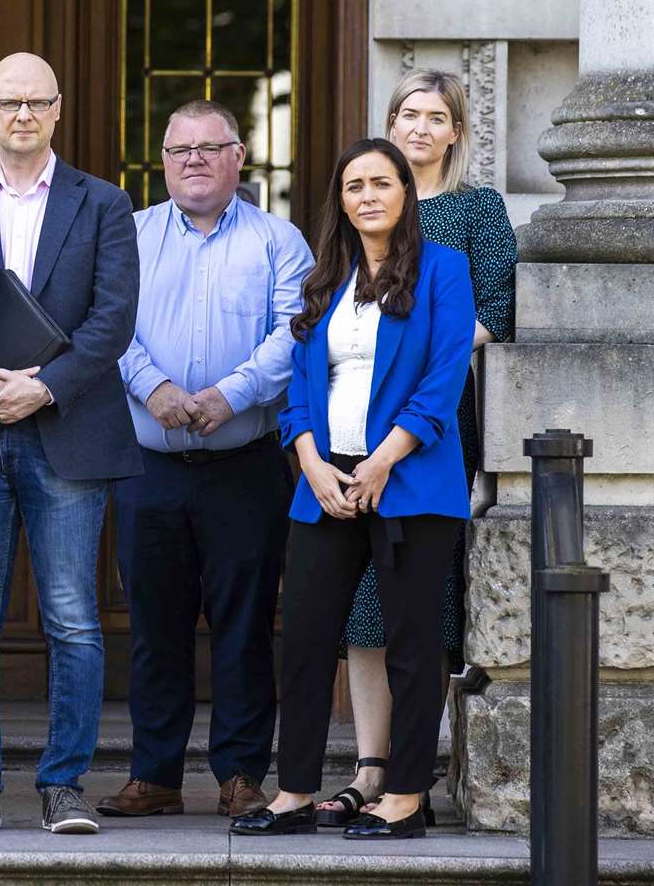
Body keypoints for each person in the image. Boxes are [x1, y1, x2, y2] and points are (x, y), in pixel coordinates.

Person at [0, 52, 141, 835]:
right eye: (8, 102)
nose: (22, 115)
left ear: (57, 110)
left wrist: (42, 386)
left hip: (68, 431)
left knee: (74, 618)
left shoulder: (104, 204)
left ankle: (64, 785)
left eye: (36, 102)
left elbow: (112, 320)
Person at [232, 137, 474, 841]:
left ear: (405, 192)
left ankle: (403, 796)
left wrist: (382, 462)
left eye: (380, 182)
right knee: (304, 639)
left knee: (409, 642)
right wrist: (308, 459)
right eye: (353, 186)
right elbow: (300, 391)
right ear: (340, 202)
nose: (367, 195)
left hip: (409, 483)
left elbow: (441, 380)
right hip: (325, 482)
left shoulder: (444, 272)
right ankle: (295, 791)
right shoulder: (325, 276)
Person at [95, 101, 312, 821]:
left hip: (242, 464)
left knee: (245, 625)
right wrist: (151, 386)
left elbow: (294, 335)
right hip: (148, 466)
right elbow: (105, 324)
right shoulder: (128, 235)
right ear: (162, 160)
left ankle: (242, 775)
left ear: (238, 156)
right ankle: (154, 775)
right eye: (179, 148)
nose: (193, 159)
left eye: (208, 147)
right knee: (154, 626)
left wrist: (232, 392)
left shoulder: (280, 242)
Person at [316, 70, 517, 827]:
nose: (421, 128)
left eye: (437, 117)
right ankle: (369, 769)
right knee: (361, 604)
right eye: (408, 114)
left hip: (432, 425)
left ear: (457, 132)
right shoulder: (365, 205)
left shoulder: (475, 210)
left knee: (416, 600)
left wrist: (418, 362)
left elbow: (498, 308)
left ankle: (412, 770)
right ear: (390, 123)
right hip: (345, 426)